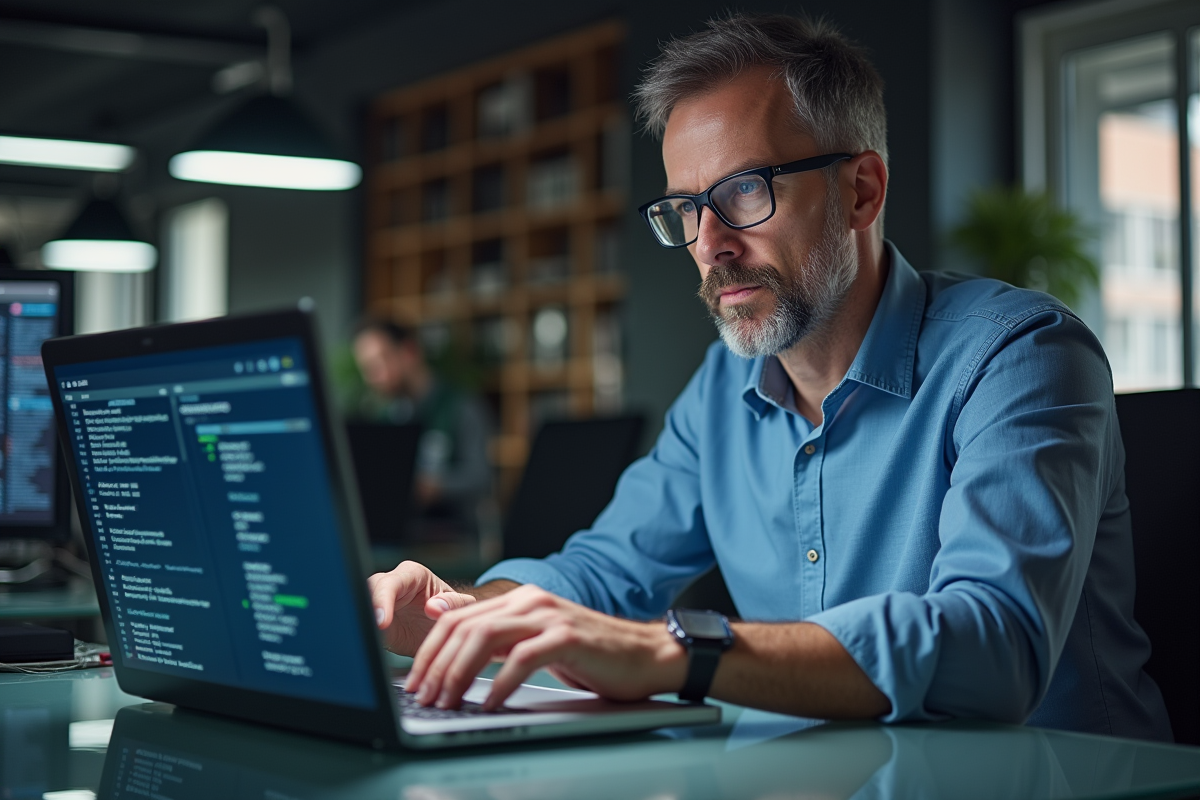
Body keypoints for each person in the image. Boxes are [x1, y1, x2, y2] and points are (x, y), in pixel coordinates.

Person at [367, 13, 1172, 740]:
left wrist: (678, 651)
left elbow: (991, 644)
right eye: (685, 208)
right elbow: (600, 578)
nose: (709, 242)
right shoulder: (723, 387)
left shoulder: (1020, 354)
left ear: (860, 191)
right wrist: (449, 615)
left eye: (744, 191)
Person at [352, 319, 491, 535]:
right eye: (366, 368)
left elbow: (480, 476)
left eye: (379, 362)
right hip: (400, 535)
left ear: (408, 352)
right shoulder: (385, 415)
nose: (372, 377)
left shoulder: (460, 406)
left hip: (453, 537)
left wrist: (432, 487)